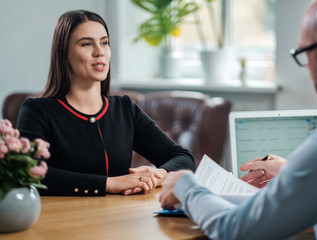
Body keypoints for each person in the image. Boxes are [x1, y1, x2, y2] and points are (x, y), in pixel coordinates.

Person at [159, 0, 317, 239]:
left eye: (305, 54)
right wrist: (292, 173)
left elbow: (234, 230)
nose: (307, 69)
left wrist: (185, 185)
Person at [17, 10, 195, 196]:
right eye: (86, 44)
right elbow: (30, 173)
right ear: (63, 54)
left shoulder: (124, 108)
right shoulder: (37, 110)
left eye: (104, 43)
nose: (99, 52)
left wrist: (157, 174)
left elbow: (183, 157)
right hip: (63, 221)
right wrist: (108, 184)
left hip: (118, 220)